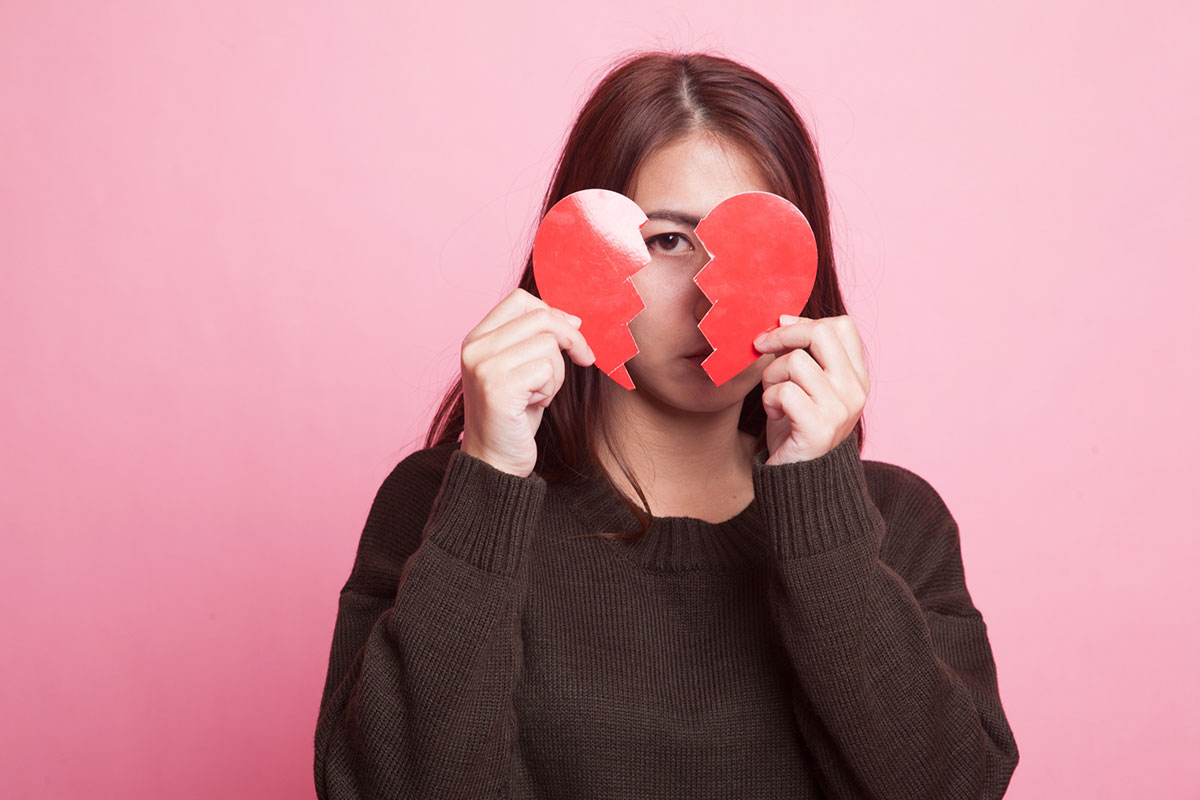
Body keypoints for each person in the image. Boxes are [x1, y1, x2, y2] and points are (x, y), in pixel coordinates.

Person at [314, 51, 1019, 799]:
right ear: (578, 255)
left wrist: (820, 505)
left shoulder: (897, 524)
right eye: (669, 242)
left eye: (754, 248)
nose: (711, 297)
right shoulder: (441, 506)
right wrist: (489, 480)